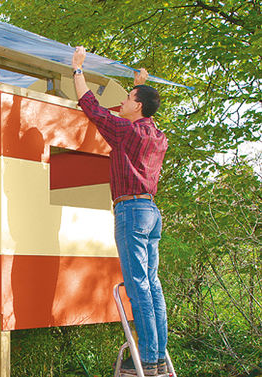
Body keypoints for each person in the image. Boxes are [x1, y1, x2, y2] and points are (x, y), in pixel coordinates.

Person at [71, 46, 168, 376]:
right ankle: (155, 356)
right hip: (151, 213)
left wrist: (77, 70)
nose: (123, 102)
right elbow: (129, 112)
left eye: (128, 97)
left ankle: (149, 361)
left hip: (130, 210)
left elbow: (94, 110)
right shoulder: (157, 136)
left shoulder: (125, 132)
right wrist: (140, 83)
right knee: (153, 287)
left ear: (138, 105)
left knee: (138, 286)